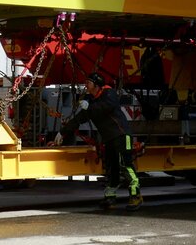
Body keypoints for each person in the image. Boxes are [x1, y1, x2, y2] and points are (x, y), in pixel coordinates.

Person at [52, 73, 142, 210]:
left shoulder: (109, 93)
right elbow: (79, 119)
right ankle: (110, 198)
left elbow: (107, 106)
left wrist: (89, 107)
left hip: (122, 136)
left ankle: (136, 196)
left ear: (96, 84)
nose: (86, 86)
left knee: (126, 165)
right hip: (109, 139)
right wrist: (62, 133)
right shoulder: (91, 101)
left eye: (88, 83)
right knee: (111, 168)